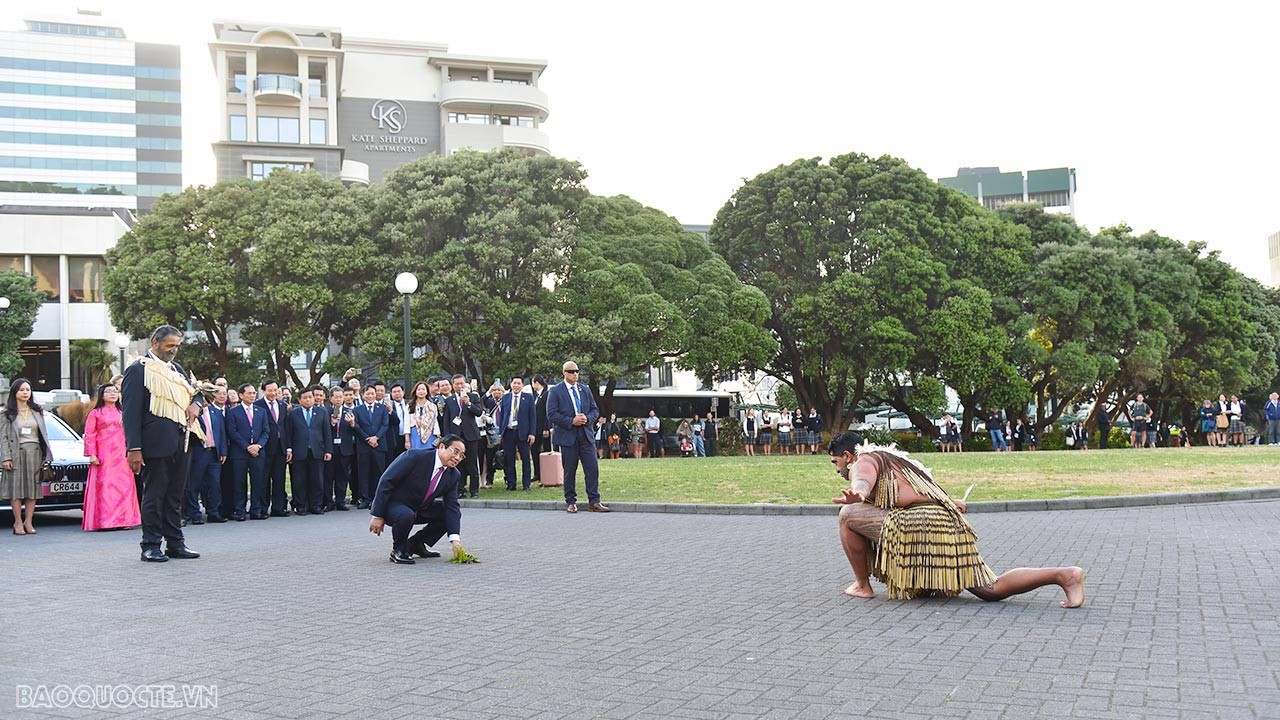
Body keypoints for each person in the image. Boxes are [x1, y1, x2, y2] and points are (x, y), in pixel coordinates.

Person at [829, 431, 1085, 607]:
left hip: (920, 524)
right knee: (990, 589)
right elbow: (924, 492)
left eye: (836, 462)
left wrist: (858, 494)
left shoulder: (863, 460)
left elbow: (862, 480)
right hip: (944, 522)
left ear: (848, 456)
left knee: (847, 515)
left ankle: (862, 585)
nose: (837, 468)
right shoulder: (896, 461)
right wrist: (952, 502)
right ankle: (1063, 575)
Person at [121, 326, 202, 562]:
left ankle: (175, 543)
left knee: (175, 496)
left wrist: (196, 404)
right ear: (155, 343)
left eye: (177, 346)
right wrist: (134, 448)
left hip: (182, 441)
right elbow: (130, 412)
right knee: (155, 495)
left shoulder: (177, 369)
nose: (174, 350)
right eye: (170, 346)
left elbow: (195, 392)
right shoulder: (138, 369)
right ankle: (150, 545)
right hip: (154, 444)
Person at [368, 434, 468, 564]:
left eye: (461, 455)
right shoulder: (415, 456)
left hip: (419, 507)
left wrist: (455, 542)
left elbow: (452, 506)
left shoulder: (453, 475)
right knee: (406, 515)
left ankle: (415, 544)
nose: (458, 458)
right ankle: (399, 550)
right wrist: (377, 515)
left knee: (446, 512)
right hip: (394, 505)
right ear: (442, 447)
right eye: (455, 452)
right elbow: (386, 481)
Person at [546, 361, 609, 513]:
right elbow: (551, 414)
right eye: (571, 371)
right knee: (569, 470)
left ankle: (594, 501)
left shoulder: (584, 389)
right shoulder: (555, 391)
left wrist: (587, 418)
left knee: (592, 468)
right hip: (568, 436)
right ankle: (571, 501)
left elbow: (595, 410)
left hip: (586, 435)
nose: (575, 374)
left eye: (577, 371)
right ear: (564, 373)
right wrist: (571, 421)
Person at [82, 383, 142, 532]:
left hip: (122, 454)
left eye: (115, 391)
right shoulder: (95, 413)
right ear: (102, 395)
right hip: (104, 454)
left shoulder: (123, 412)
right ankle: (105, 521)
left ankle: (125, 519)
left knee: (124, 486)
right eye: (108, 391)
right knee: (105, 486)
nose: (113, 394)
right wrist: (92, 454)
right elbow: (90, 434)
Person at [1, 378, 53, 536]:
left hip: (35, 453)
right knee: (16, 489)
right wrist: (6, 458)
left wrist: (46, 456)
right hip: (16, 453)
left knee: (33, 489)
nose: (25, 393)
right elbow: (3, 438)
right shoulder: (6, 413)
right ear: (15, 392)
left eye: (28, 390)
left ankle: (28, 521)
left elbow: (43, 434)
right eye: (22, 390)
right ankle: (17, 521)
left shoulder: (37, 410)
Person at [183, 384, 227, 525]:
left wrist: (223, 451)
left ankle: (213, 512)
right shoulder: (194, 411)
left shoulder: (216, 412)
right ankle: (195, 513)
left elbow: (221, 433)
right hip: (198, 452)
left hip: (214, 453)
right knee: (194, 484)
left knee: (214, 483)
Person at [227, 383, 270, 520]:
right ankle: (240, 510)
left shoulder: (261, 411)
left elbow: (266, 431)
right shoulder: (233, 412)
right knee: (239, 482)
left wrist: (258, 446)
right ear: (241, 395)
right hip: (240, 453)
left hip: (258, 452)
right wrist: (247, 446)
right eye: (249, 393)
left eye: (254, 393)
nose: (252, 395)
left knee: (258, 482)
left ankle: (256, 510)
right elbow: (233, 432)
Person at [286, 386, 332, 515]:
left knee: (317, 480)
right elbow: (289, 433)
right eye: (305, 398)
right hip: (299, 452)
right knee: (299, 480)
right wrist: (289, 449)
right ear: (299, 400)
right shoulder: (293, 414)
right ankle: (301, 506)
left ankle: (316, 505)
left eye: (310, 397)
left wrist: (328, 450)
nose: (308, 400)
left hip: (317, 451)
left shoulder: (322, 412)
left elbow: (327, 432)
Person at [444, 375, 485, 498]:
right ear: (453, 385)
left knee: (472, 463)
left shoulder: (473, 396)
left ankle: (474, 490)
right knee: (458, 463)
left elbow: (479, 412)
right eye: (457, 384)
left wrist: (468, 403)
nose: (459, 386)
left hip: (470, 435)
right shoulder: (449, 400)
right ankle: (460, 489)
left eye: (461, 383)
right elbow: (447, 420)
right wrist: (448, 437)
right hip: (456, 436)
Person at [255, 380, 290, 516]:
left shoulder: (282, 405)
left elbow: (285, 427)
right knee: (264, 480)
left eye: (275, 390)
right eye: (270, 390)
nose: (273, 393)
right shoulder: (258, 405)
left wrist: (288, 448)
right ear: (264, 391)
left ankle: (278, 508)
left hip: (281, 448)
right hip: (265, 447)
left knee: (279, 479)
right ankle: (263, 508)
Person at [353, 385, 389, 508]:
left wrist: (376, 437)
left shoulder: (382, 408)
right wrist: (368, 439)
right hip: (364, 445)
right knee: (364, 473)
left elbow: (385, 425)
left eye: (372, 393)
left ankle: (376, 498)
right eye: (367, 394)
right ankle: (365, 499)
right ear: (363, 395)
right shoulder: (357, 410)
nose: (370, 396)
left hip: (379, 445)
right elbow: (357, 427)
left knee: (378, 473)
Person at [497, 376, 535, 490]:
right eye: (514, 383)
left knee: (525, 459)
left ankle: (526, 484)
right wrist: (501, 433)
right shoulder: (506, 397)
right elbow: (502, 416)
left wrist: (532, 433)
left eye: (519, 383)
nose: (516, 385)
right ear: (511, 384)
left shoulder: (528, 398)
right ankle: (511, 483)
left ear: (522, 385)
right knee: (509, 459)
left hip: (523, 432)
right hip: (508, 432)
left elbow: (532, 417)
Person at [407, 380, 438, 450]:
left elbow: (435, 422)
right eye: (419, 389)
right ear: (415, 392)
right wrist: (407, 440)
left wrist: (438, 436)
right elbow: (407, 423)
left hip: (430, 433)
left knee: (429, 453)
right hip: (415, 433)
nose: (421, 391)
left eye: (423, 389)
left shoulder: (432, 406)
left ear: (427, 392)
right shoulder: (410, 406)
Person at [531, 375, 551, 481]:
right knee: (534, 450)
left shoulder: (546, 394)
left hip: (543, 428)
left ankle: (547, 473)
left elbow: (547, 412)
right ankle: (537, 473)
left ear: (537, 383)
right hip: (536, 429)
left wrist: (546, 427)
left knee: (546, 450)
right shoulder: (536, 396)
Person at [386, 382, 409, 465]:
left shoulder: (409, 404)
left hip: (408, 437)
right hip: (395, 437)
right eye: (394, 392)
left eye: (399, 391)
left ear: (403, 392)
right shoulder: (388, 406)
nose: (397, 394)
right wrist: (390, 411)